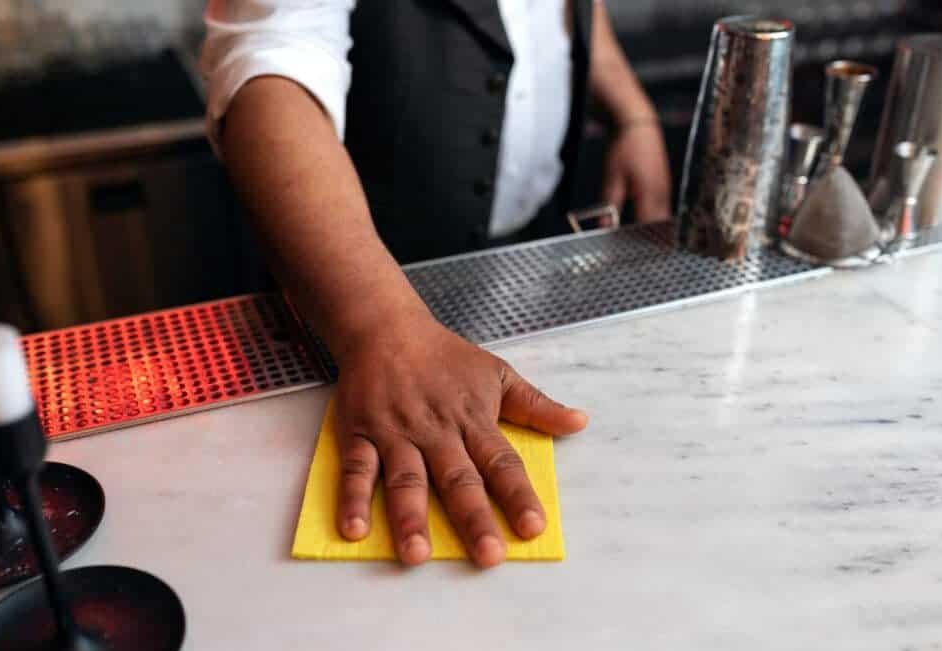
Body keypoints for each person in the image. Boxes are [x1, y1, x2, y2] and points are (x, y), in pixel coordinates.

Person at [201, 0, 671, 568]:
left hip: (526, 260)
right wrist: (382, 327)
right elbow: (271, 66)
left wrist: (632, 116)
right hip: (362, 300)